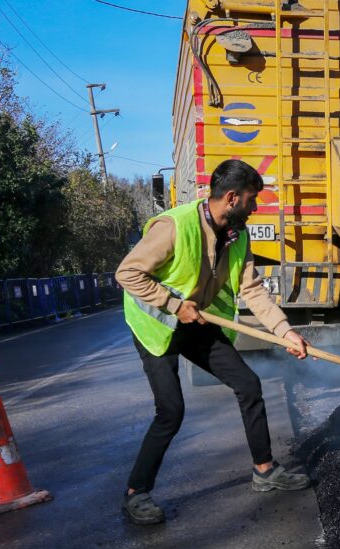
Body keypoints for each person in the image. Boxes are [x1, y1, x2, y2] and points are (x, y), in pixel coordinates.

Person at [116, 159, 311, 525]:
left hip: (197, 320)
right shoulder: (175, 226)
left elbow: (252, 289)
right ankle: (135, 492)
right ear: (233, 198)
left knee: (248, 384)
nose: (255, 209)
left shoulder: (238, 234)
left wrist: (284, 331)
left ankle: (265, 470)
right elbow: (127, 272)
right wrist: (174, 305)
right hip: (155, 325)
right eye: (253, 201)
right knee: (171, 411)